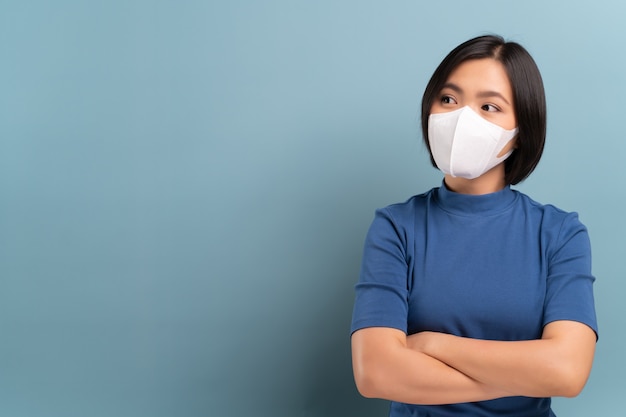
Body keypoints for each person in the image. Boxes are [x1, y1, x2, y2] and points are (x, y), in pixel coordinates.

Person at [350, 34, 598, 417]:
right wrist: (525, 375)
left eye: (489, 106)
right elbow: (376, 374)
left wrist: (432, 344)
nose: (462, 117)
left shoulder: (560, 234)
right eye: (448, 99)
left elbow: (567, 372)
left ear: (521, 130)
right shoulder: (396, 227)